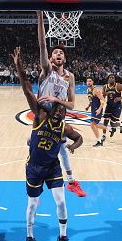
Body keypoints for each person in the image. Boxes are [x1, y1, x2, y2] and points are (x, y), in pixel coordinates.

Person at [12, 47, 83, 241]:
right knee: (32, 204)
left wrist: (72, 146)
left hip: (52, 167)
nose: (61, 112)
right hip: (34, 167)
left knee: (61, 201)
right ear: (53, 110)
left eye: (63, 111)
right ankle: (30, 237)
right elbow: (26, 87)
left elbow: (79, 137)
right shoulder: (39, 116)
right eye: (59, 110)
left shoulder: (64, 127)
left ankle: (62, 236)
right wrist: (18, 66)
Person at [36, 11, 86, 197]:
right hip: (42, 118)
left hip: (58, 118)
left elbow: (72, 105)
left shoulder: (70, 76)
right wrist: (40, 17)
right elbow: (42, 44)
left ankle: (72, 182)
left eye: (61, 53)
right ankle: (37, 189)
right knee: (35, 146)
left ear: (64, 59)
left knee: (63, 147)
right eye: (55, 52)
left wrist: (56, 99)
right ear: (50, 58)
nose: (58, 54)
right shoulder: (47, 71)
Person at [85, 77, 107, 146]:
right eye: (87, 81)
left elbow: (103, 100)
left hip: (98, 109)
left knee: (92, 125)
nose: (88, 82)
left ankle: (99, 141)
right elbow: (91, 100)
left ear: (93, 82)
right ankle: (109, 129)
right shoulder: (88, 90)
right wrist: (88, 106)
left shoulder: (96, 90)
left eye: (90, 81)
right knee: (95, 125)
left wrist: (99, 109)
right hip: (93, 109)